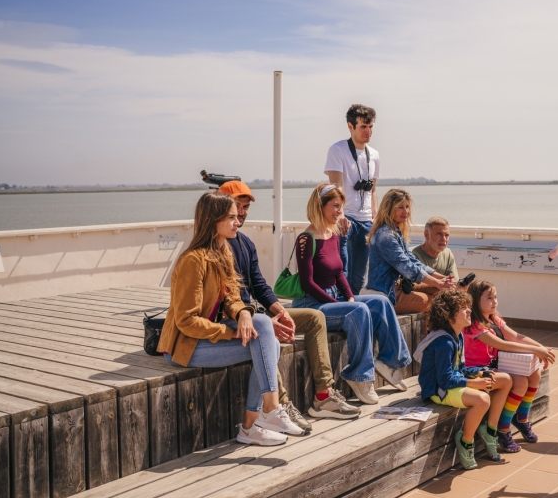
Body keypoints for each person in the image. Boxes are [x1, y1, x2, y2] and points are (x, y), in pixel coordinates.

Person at [157, 192, 303, 446]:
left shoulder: (223, 251)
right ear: (214, 220)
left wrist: (244, 313)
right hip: (185, 347)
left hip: (207, 338)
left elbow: (233, 297)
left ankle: (259, 418)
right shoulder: (194, 260)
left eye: (238, 217)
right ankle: (261, 417)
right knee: (266, 343)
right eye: (232, 217)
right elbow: (186, 321)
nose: (238, 222)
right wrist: (231, 332)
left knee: (263, 330)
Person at [218, 181, 355, 429]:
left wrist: (280, 310)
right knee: (265, 332)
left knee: (315, 318)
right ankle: (280, 405)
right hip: (233, 318)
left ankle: (324, 395)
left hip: (253, 313)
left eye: (245, 207)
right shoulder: (214, 246)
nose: (242, 213)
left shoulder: (245, 243)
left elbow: (258, 284)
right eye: (236, 206)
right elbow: (226, 298)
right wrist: (265, 319)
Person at [291, 183, 413, 405]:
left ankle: (390, 361)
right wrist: (340, 303)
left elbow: (339, 274)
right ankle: (360, 376)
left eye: (341, 206)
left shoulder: (334, 235)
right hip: (312, 304)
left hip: (334, 298)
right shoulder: (306, 239)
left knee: (381, 303)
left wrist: (347, 297)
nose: (340, 211)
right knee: (359, 310)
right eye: (335, 206)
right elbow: (307, 283)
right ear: (320, 206)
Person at [415, 289, 512, 470]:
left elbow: (460, 369)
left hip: (453, 383)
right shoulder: (444, 342)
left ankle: (490, 430)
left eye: (469, 306)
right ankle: (466, 441)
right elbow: (445, 380)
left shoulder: (457, 335)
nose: (469, 311)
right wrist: (473, 383)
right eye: (463, 308)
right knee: (482, 400)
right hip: (438, 391)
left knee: (505, 380)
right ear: (449, 314)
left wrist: (480, 372)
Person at [464, 279, 556, 452]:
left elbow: (516, 336)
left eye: (495, 297)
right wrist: (536, 351)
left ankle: (521, 419)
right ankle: (503, 429)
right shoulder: (474, 326)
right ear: (476, 301)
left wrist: (540, 348)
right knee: (520, 382)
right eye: (489, 298)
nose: (495, 301)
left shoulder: (494, 319)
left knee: (534, 373)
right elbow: (503, 344)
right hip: (478, 369)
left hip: (496, 364)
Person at [364, 189, 454, 314]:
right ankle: (431, 333)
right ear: (389, 209)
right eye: (400, 207)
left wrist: (442, 279)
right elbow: (407, 267)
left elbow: (413, 261)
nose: (406, 211)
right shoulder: (385, 236)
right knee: (429, 301)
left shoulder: (395, 232)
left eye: (407, 207)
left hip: (400, 286)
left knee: (443, 293)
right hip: (387, 291)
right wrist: (437, 283)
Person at [324, 104, 380, 295]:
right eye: (363, 127)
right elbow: (336, 187)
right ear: (350, 126)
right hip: (345, 219)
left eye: (371, 126)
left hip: (366, 221)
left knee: (358, 277)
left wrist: (376, 219)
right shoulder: (338, 150)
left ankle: (351, 306)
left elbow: (372, 190)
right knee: (342, 270)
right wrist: (339, 216)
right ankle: (338, 307)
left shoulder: (374, 155)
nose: (368, 131)